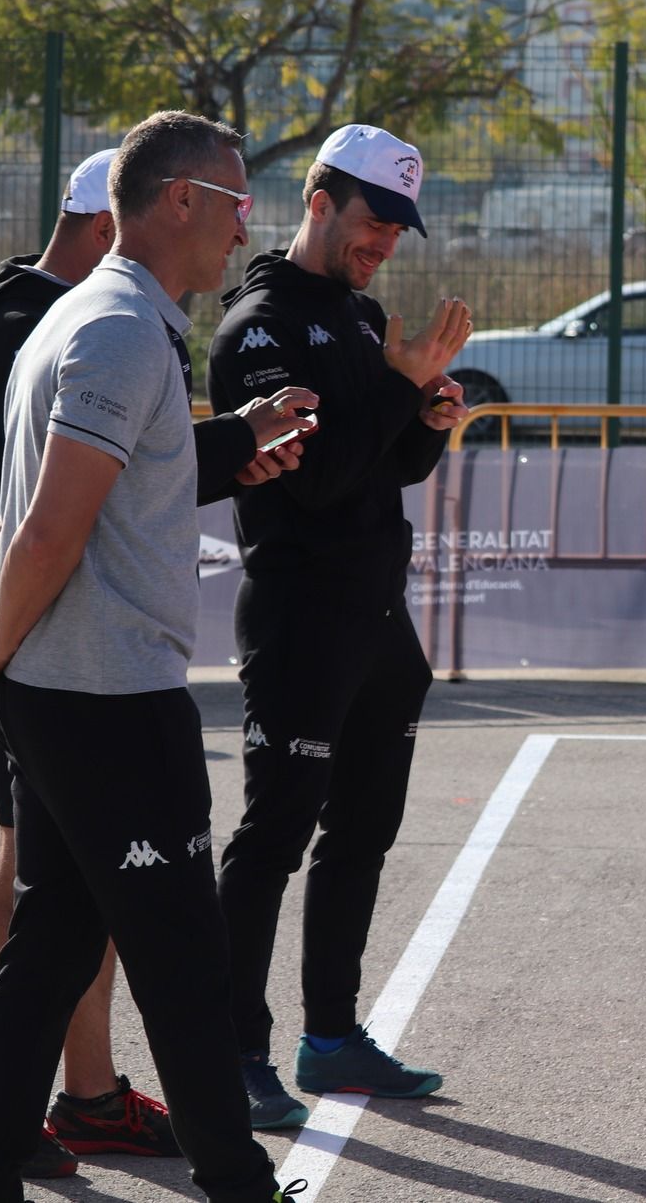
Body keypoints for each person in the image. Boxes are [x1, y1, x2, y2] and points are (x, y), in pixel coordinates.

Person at [0, 110, 314, 1203]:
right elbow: (50, 524)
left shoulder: (93, 316)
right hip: (105, 700)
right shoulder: (118, 331)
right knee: (185, 959)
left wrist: (240, 438)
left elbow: (44, 508)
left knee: (51, 938)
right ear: (180, 200)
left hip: (70, 690)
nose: (246, 233)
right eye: (238, 205)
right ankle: (236, 1180)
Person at [208, 124, 472, 1129]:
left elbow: (381, 467)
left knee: (360, 832)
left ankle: (331, 1039)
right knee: (272, 837)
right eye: (374, 221)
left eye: (400, 229)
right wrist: (399, 389)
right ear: (320, 199)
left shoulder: (359, 318)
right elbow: (313, 482)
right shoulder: (261, 329)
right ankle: (231, 1051)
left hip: (375, 617)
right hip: (299, 618)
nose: (386, 244)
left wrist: (424, 420)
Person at [0, 148, 162, 1175]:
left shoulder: (48, 310)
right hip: (28, 632)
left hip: (48, 629)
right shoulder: (38, 321)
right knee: (32, 869)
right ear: (110, 226)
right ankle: (17, 1100)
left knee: (68, 875)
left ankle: (83, 1095)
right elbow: (63, 509)